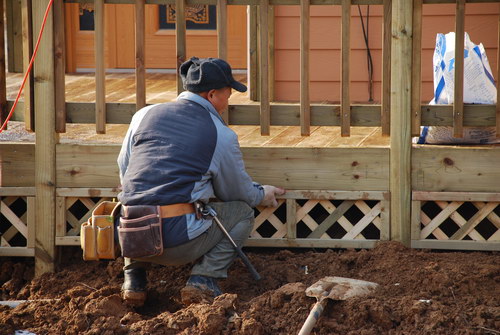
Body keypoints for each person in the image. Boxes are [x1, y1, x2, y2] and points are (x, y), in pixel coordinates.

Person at [116, 57, 285, 306]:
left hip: (131, 237)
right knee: (242, 212)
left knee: (137, 197)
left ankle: (134, 280)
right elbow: (235, 191)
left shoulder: (144, 115)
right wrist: (262, 194)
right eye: (227, 95)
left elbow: (125, 168)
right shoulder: (221, 134)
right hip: (178, 243)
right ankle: (203, 280)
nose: (227, 104)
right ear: (212, 94)